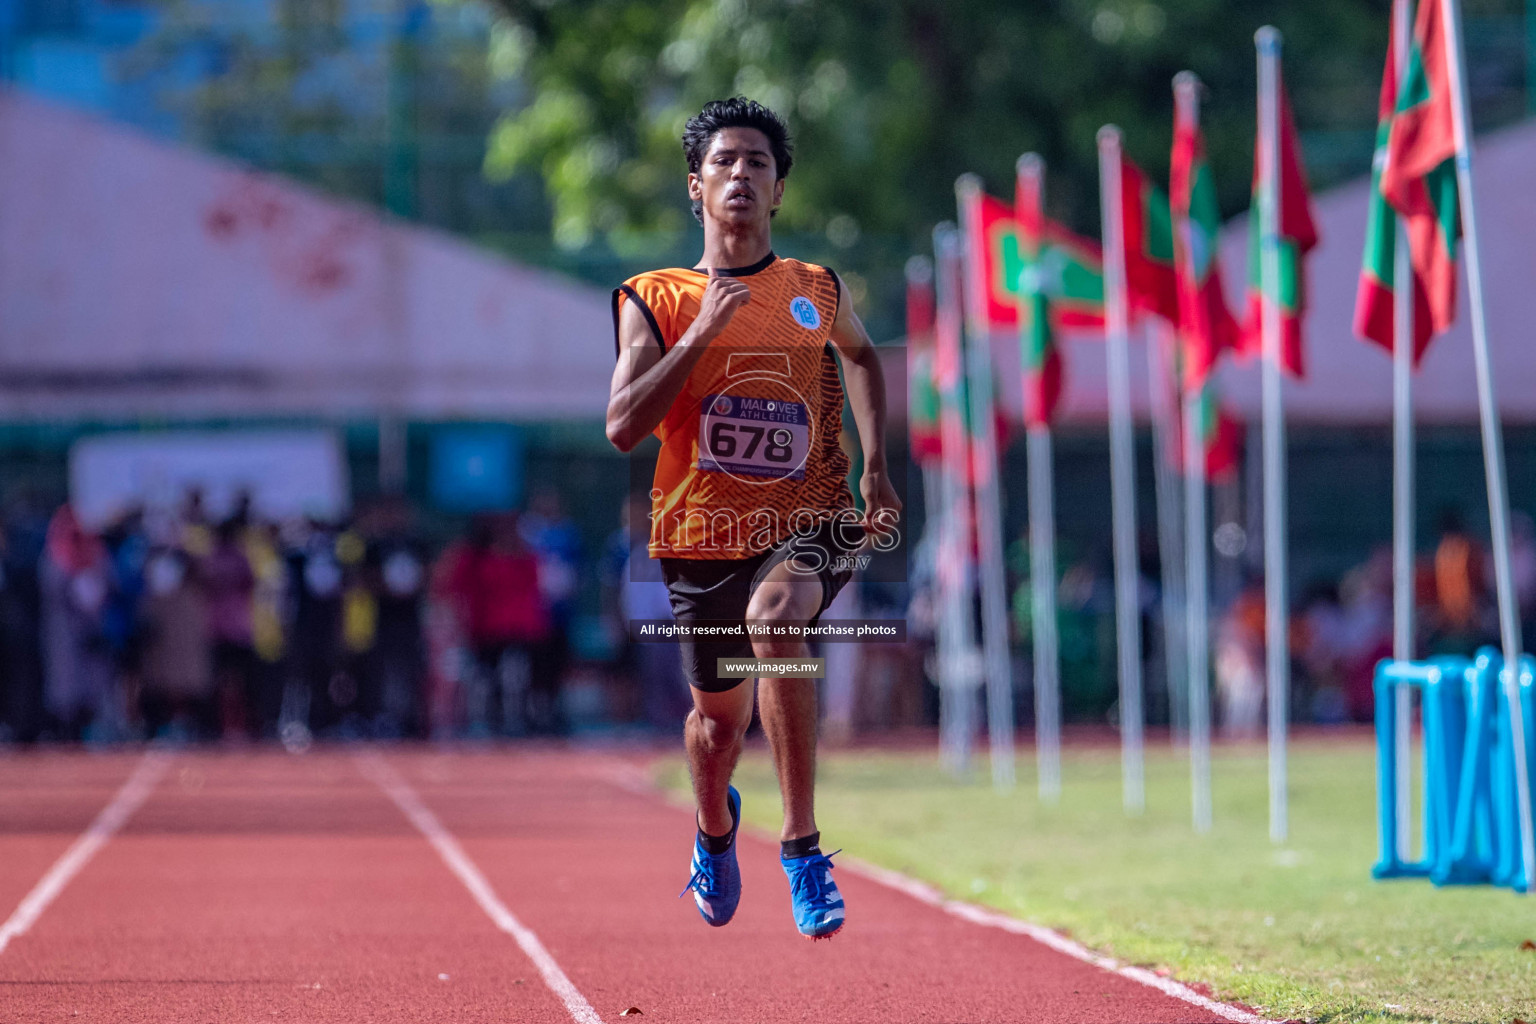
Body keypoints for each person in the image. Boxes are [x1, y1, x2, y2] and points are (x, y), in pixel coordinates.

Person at [605, 97, 900, 939]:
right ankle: (714, 828)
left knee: (780, 624)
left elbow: (866, 356)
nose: (741, 175)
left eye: (758, 164)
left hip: (814, 517)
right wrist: (700, 334)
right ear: (695, 186)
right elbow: (623, 424)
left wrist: (876, 465)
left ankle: (802, 846)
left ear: (777, 192)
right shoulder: (654, 297)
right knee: (714, 730)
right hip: (701, 540)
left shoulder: (814, 289)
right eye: (725, 162)